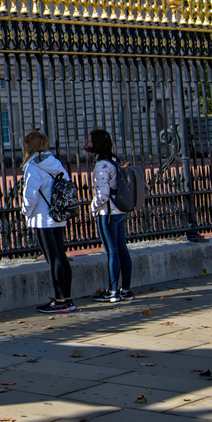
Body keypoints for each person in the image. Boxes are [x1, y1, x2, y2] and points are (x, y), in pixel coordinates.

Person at [21, 129, 75, 314]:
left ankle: (60, 300)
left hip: (42, 218)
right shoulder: (55, 163)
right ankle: (67, 298)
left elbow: (30, 195)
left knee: (54, 259)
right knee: (61, 256)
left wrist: (25, 212)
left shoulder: (33, 167)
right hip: (58, 215)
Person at [88, 128, 134, 303]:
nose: (87, 143)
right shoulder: (115, 160)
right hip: (120, 211)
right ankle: (126, 289)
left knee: (112, 251)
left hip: (107, 213)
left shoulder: (102, 165)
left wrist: (92, 207)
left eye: (90, 140)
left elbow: (103, 194)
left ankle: (113, 290)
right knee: (122, 249)